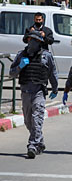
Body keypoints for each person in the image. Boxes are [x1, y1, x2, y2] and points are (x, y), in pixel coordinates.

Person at [9, 31, 58, 159]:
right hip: (25, 92)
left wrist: (55, 88)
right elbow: (12, 73)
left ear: (39, 43)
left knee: (37, 119)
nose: (32, 42)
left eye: (35, 40)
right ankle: (39, 141)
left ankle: (33, 145)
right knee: (28, 121)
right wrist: (20, 66)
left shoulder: (46, 56)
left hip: (38, 92)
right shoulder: (21, 55)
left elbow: (52, 72)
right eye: (30, 39)